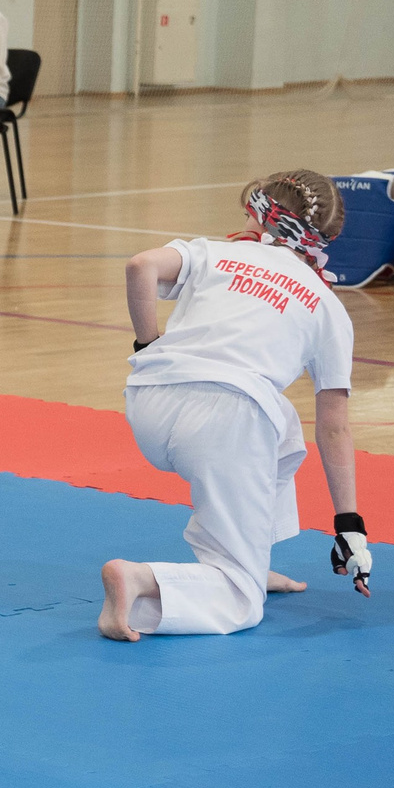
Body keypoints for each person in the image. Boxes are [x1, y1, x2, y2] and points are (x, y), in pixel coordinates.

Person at [100, 173, 372, 641]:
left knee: (283, 428)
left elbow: (140, 265)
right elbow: (332, 427)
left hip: (150, 401)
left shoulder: (216, 251)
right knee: (243, 603)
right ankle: (144, 580)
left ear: (261, 215)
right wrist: (350, 525)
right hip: (227, 423)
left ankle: (251, 553)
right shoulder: (327, 307)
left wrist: (147, 344)